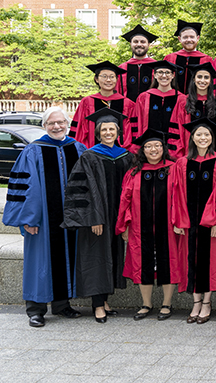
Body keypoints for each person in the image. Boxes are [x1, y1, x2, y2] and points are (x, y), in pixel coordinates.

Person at [4, 107, 87, 327]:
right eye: (51, 123)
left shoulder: (77, 148)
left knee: (66, 259)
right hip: (40, 220)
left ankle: (62, 305)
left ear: (67, 124)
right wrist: (28, 218)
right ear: (44, 126)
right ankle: (35, 310)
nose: (56, 126)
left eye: (60, 122)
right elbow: (24, 187)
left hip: (71, 218)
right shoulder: (33, 151)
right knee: (39, 263)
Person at [62, 109, 133, 323]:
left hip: (117, 217)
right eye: (104, 130)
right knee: (97, 257)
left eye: (112, 129)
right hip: (98, 218)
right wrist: (93, 218)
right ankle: (97, 305)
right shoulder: (89, 156)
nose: (108, 133)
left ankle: (105, 300)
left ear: (118, 131)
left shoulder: (126, 156)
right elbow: (80, 190)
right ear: (98, 133)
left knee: (112, 256)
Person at [170, 118, 216, 324]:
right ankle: (195, 302)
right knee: (190, 261)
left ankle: (206, 303)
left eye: (206, 134)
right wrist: (178, 220)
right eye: (199, 134)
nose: (203, 138)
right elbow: (176, 194)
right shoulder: (181, 163)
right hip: (189, 222)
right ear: (192, 137)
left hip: (210, 223)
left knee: (210, 262)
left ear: (212, 138)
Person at [116, 129, 181, 322]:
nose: (153, 149)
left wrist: (179, 221)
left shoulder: (173, 168)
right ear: (142, 150)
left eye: (157, 146)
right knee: (141, 263)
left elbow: (180, 197)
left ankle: (167, 304)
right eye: (149, 146)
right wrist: (124, 225)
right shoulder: (134, 172)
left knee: (168, 262)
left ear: (163, 148)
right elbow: (125, 199)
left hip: (168, 227)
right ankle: (146, 304)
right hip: (139, 226)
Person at [70, 61, 136, 148]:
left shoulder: (128, 104)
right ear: (96, 79)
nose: (108, 80)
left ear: (117, 79)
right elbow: (79, 129)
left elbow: (133, 130)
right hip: (93, 152)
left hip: (121, 153)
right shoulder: (87, 102)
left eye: (112, 77)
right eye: (104, 76)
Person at [176, 63, 216, 157]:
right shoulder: (183, 102)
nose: (202, 80)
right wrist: (179, 155)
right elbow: (177, 130)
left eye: (206, 77)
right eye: (199, 77)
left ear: (210, 81)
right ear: (194, 79)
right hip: (189, 155)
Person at [135, 60, 186, 156]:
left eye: (167, 72)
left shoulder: (182, 99)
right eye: (160, 72)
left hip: (174, 151)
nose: (164, 76)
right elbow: (138, 124)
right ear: (154, 75)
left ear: (173, 75)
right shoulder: (144, 97)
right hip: (149, 151)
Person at [164, 20, 214, 94]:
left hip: (197, 101)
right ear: (179, 39)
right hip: (173, 100)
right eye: (185, 37)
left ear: (197, 38)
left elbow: (212, 83)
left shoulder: (206, 59)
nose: (189, 40)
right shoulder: (170, 58)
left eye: (192, 37)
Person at [117, 24, 158, 102]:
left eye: (143, 42)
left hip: (151, 109)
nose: (139, 44)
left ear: (148, 44)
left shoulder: (157, 67)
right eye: (135, 42)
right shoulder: (122, 68)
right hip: (127, 111)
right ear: (130, 44)